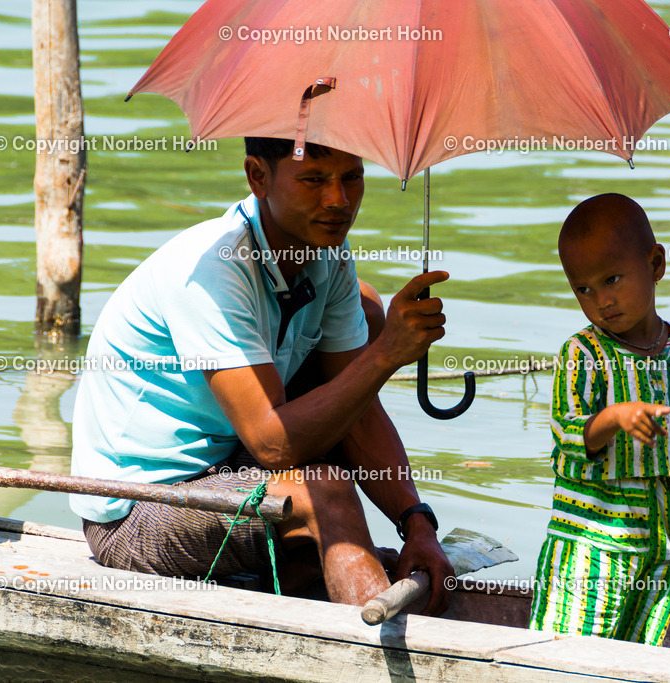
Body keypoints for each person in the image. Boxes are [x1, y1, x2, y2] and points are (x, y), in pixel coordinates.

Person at [70, 138, 454, 613]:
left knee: (367, 308)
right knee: (325, 492)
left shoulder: (327, 253)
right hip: (137, 511)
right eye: (314, 180)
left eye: (351, 177)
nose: (338, 200)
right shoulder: (214, 269)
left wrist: (418, 524)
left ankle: (309, 568)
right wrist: (386, 357)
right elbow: (272, 444)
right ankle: (369, 658)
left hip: (228, 467)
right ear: (258, 176)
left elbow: (360, 415)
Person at [528, 193, 670, 645]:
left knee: (635, 655)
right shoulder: (583, 354)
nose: (601, 300)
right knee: (565, 659)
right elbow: (568, 437)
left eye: (612, 279)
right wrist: (613, 417)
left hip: (659, 549)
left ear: (655, 265)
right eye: (584, 289)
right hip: (590, 551)